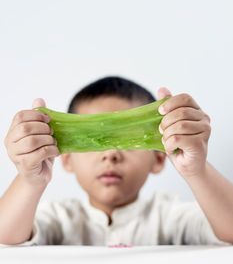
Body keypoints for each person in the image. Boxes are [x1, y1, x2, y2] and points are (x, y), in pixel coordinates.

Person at [0, 76, 232, 246]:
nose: (110, 154)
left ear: (159, 158)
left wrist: (196, 170)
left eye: (130, 142)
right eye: (92, 143)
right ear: (67, 159)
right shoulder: (58, 219)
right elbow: (5, 239)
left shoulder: (171, 217)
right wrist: (29, 180)